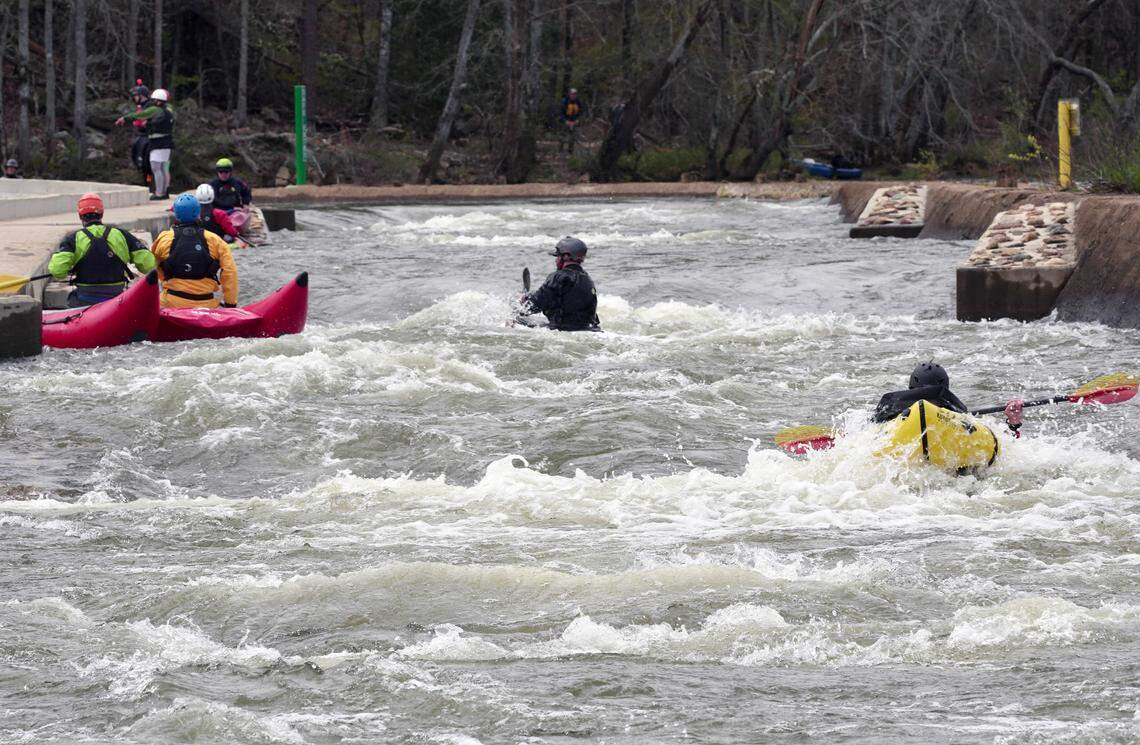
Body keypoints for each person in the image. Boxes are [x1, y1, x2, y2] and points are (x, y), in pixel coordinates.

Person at [48, 193, 157, 307]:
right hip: (116, 299)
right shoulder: (122, 235)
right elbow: (149, 265)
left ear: (80, 215)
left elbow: (57, 271)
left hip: (84, 299)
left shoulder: (72, 239)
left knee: (72, 299)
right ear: (101, 213)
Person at [873, 361, 1024, 435]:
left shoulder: (890, 413)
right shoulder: (961, 418)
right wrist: (1013, 423)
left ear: (911, 388)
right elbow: (1008, 447)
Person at [149, 193, 239, 309]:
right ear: (198, 213)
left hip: (170, 302)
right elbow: (230, 272)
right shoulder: (215, 240)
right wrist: (230, 304)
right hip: (206, 304)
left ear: (176, 214)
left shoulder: (163, 239)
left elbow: (152, 268)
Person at [518, 236, 600, 332]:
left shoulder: (558, 277)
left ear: (566, 256)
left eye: (558, 256)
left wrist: (523, 300)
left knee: (513, 322)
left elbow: (534, 306)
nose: (556, 260)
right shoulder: (588, 280)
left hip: (561, 330)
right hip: (588, 329)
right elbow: (593, 318)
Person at [114, 88, 174, 200]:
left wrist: (124, 118)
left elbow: (141, 115)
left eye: (154, 100)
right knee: (164, 168)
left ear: (158, 101)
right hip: (167, 142)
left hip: (157, 143)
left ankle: (159, 192)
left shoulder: (155, 110)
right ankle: (165, 190)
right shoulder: (169, 110)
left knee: (155, 167)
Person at [127, 80, 153, 192]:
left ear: (141, 95)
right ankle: (146, 183)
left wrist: (143, 121)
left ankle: (149, 184)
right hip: (141, 135)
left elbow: (146, 120)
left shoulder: (149, 106)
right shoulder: (140, 106)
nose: (134, 98)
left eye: (136, 95)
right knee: (138, 159)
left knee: (147, 165)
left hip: (148, 137)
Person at [559, 88, 584, 153]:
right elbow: (561, 113)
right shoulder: (565, 101)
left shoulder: (578, 101)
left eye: (575, 94)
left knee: (572, 136)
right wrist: (565, 121)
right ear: (569, 94)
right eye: (572, 94)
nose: (573, 95)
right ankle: (560, 149)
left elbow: (581, 112)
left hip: (574, 121)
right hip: (566, 121)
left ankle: (570, 150)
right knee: (563, 135)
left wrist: (578, 119)